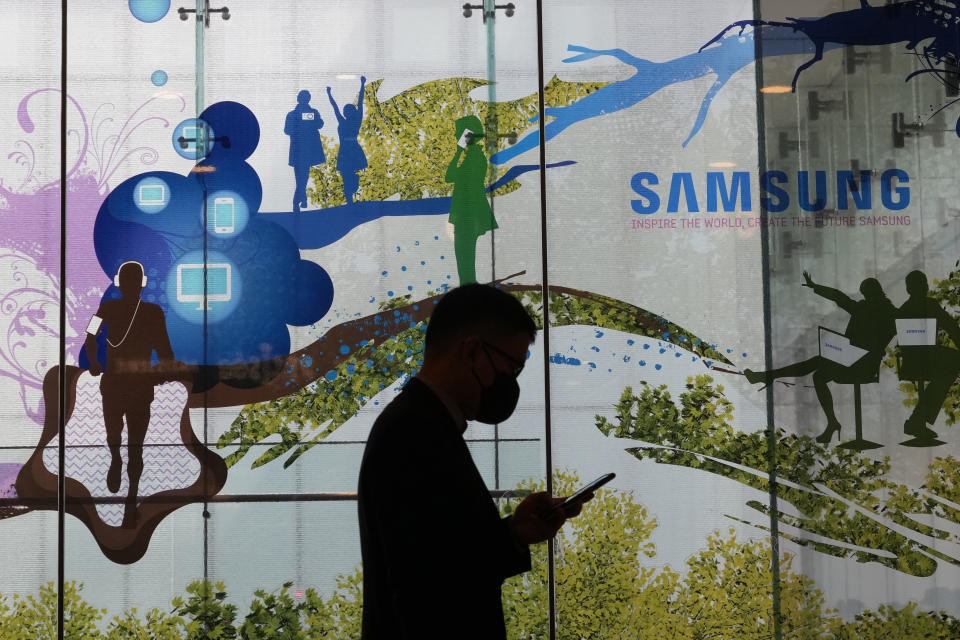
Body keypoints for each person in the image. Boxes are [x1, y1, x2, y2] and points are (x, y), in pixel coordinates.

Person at [358, 284, 589, 640]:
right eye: (510, 369)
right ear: (471, 351)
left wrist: (513, 533)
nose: (510, 385)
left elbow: (446, 557)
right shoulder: (414, 433)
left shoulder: (423, 425)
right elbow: (422, 589)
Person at [744, 271, 896, 443]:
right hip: (851, 361)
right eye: (865, 295)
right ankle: (832, 423)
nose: (866, 298)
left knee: (817, 363)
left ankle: (767, 377)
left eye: (867, 294)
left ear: (875, 293)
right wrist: (816, 287)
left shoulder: (886, 312)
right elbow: (839, 297)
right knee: (819, 376)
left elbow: (842, 299)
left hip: (864, 366)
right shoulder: (866, 308)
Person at [84, 260, 180, 528]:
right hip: (136, 385)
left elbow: (90, 337)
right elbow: (165, 351)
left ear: (120, 283)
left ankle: (127, 486)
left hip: (117, 384)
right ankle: (127, 487)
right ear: (141, 284)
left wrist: (94, 362)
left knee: (120, 437)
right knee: (131, 444)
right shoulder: (152, 312)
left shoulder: (109, 308)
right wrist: (164, 371)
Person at [896, 270, 960, 440]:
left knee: (948, 369)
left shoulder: (903, 309)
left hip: (912, 362)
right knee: (954, 364)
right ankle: (917, 421)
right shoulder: (930, 305)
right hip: (930, 360)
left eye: (924, 283)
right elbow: (951, 327)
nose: (925, 286)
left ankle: (917, 421)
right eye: (923, 283)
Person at [446, 115, 497, 285]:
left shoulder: (475, 158)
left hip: (468, 216)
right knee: (464, 260)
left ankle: (468, 293)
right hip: (466, 216)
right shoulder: (473, 157)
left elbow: (450, 176)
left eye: (458, 134)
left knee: (464, 259)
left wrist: (459, 150)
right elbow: (449, 177)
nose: (455, 137)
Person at [327, 76, 367, 205]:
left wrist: (362, 84)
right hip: (344, 150)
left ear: (352, 112)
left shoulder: (356, 120)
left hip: (352, 148)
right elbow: (335, 108)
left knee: (348, 174)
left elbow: (360, 101)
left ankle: (353, 187)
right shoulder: (342, 121)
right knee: (345, 175)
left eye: (348, 110)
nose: (345, 112)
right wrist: (329, 94)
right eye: (345, 110)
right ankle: (349, 200)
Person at [284, 90, 325, 213]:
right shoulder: (292, 115)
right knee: (301, 178)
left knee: (302, 178)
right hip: (298, 149)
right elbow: (287, 130)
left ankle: (297, 202)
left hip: (307, 149)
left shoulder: (310, 112)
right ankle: (301, 199)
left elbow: (319, 124)